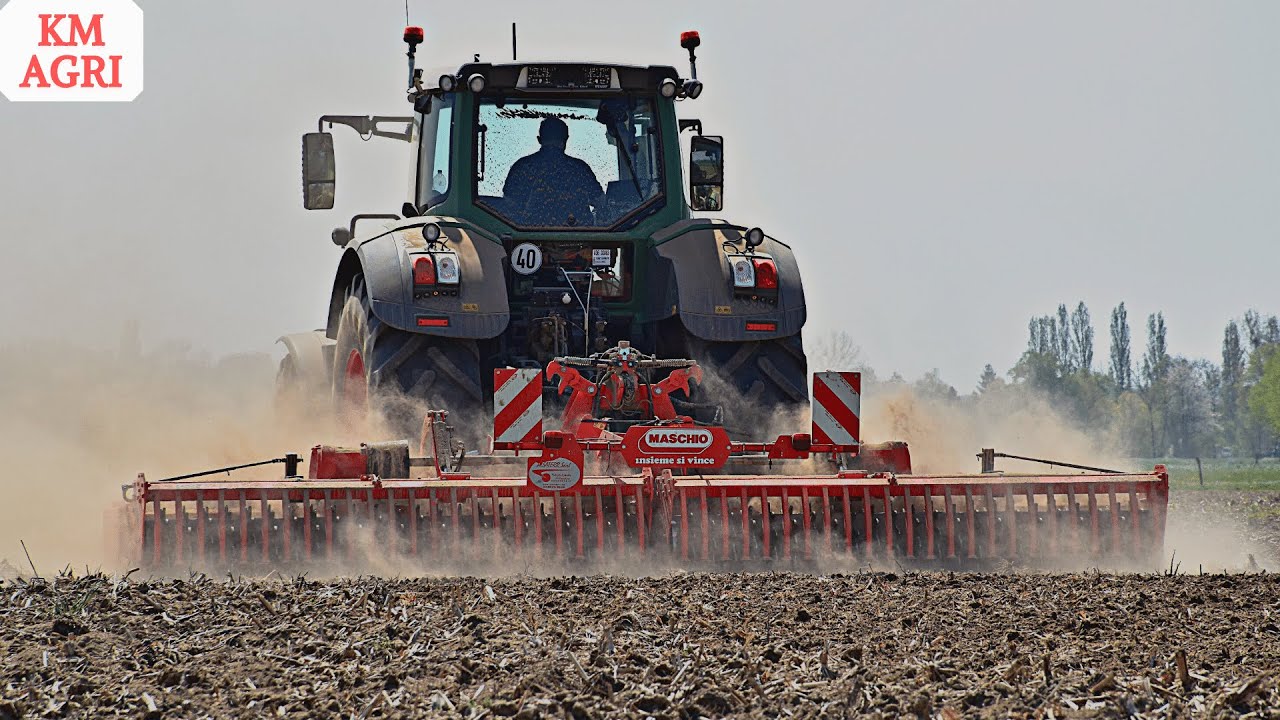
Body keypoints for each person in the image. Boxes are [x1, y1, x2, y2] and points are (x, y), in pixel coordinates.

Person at [503, 117, 603, 226]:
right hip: (579, 239)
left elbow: (508, 206)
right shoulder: (580, 169)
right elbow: (601, 202)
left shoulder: (522, 167)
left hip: (529, 239)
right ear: (566, 139)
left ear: (539, 140)